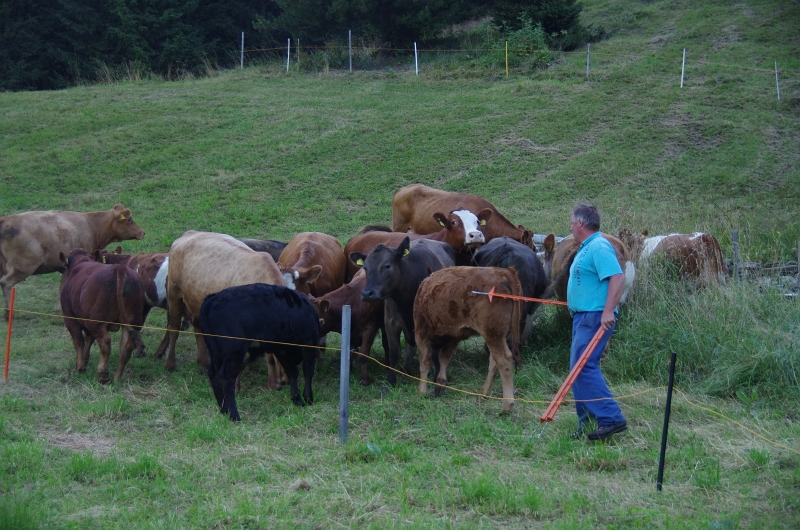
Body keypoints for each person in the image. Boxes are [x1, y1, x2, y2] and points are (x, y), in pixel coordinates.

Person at [567, 204, 627, 440]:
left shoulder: (600, 246)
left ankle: (611, 418)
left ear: (580, 223)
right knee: (578, 369)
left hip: (594, 316)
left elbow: (617, 277)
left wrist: (608, 311)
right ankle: (588, 421)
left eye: (571, 222)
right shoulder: (588, 247)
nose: (570, 226)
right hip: (584, 316)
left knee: (584, 367)